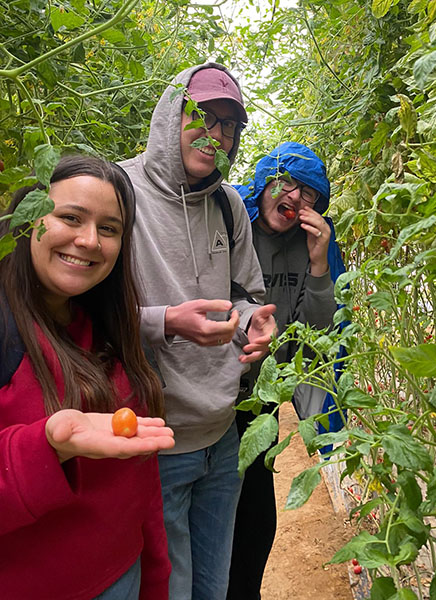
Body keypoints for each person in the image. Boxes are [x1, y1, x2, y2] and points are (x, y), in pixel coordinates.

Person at [119, 63, 277, 600]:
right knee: (171, 588)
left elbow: (245, 294)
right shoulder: (121, 192)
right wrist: (165, 323)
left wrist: (253, 321)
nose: (216, 136)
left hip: (222, 435)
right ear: (171, 112)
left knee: (216, 586)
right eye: (202, 116)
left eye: (229, 126)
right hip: (157, 444)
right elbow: (80, 312)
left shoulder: (228, 205)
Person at [0, 155, 176, 600]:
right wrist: (47, 446)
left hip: (126, 576)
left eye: (110, 228)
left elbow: (141, 486)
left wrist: (155, 579)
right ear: (27, 219)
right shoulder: (7, 335)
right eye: (70, 217)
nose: (89, 240)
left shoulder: (110, 330)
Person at [228, 142, 345, 600]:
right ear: (264, 183)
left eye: (310, 194)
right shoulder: (231, 222)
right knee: (216, 510)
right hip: (215, 390)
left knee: (256, 510)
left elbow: (315, 335)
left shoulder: (312, 244)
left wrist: (318, 264)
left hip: (262, 402)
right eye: (287, 183)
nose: (297, 198)